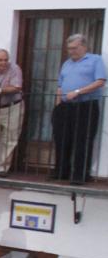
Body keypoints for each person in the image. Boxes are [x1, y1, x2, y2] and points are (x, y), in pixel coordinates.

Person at [52, 33, 106, 184]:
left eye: (74, 48)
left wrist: (77, 92)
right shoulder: (67, 63)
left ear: (83, 46)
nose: (71, 51)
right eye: (69, 48)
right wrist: (58, 105)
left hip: (86, 105)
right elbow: (60, 86)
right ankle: (61, 171)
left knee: (83, 140)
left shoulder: (95, 60)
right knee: (62, 139)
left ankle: (80, 175)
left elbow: (100, 82)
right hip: (65, 107)